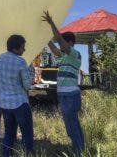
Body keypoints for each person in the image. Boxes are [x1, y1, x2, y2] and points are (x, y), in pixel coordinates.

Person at [42, 11, 84, 155]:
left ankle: (79, 152)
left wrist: (51, 23)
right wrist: (43, 37)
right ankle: (79, 150)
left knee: (72, 125)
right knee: (71, 125)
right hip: (65, 96)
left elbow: (59, 41)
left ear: (70, 43)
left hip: (71, 96)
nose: (60, 46)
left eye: (64, 43)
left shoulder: (74, 54)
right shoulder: (64, 57)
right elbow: (53, 47)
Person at [0, 34, 33, 156]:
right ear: (16, 48)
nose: (24, 49)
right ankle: (28, 154)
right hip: (19, 103)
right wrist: (31, 73)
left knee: (9, 134)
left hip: (4, 104)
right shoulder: (21, 61)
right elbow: (27, 86)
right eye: (23, 47)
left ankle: (6, 154)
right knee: (27, 135)